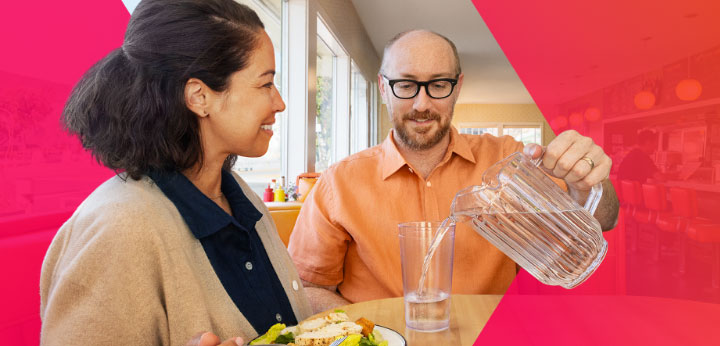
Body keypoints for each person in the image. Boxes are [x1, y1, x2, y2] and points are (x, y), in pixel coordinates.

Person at [39, 1, 312, 345]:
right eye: (265, 84)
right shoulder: (117, 230)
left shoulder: (242, 197)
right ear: (200, 97)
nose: (280, 103)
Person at [288, 29, 619, 312]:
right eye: (405, 85)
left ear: (457, 87)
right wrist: (373, 332)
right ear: (383, 86)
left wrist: (588, 181)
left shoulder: (509, 159)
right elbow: (308, 287)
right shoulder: (339, 183)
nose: (422, 104)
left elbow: (603, 220)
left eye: (438, 84)